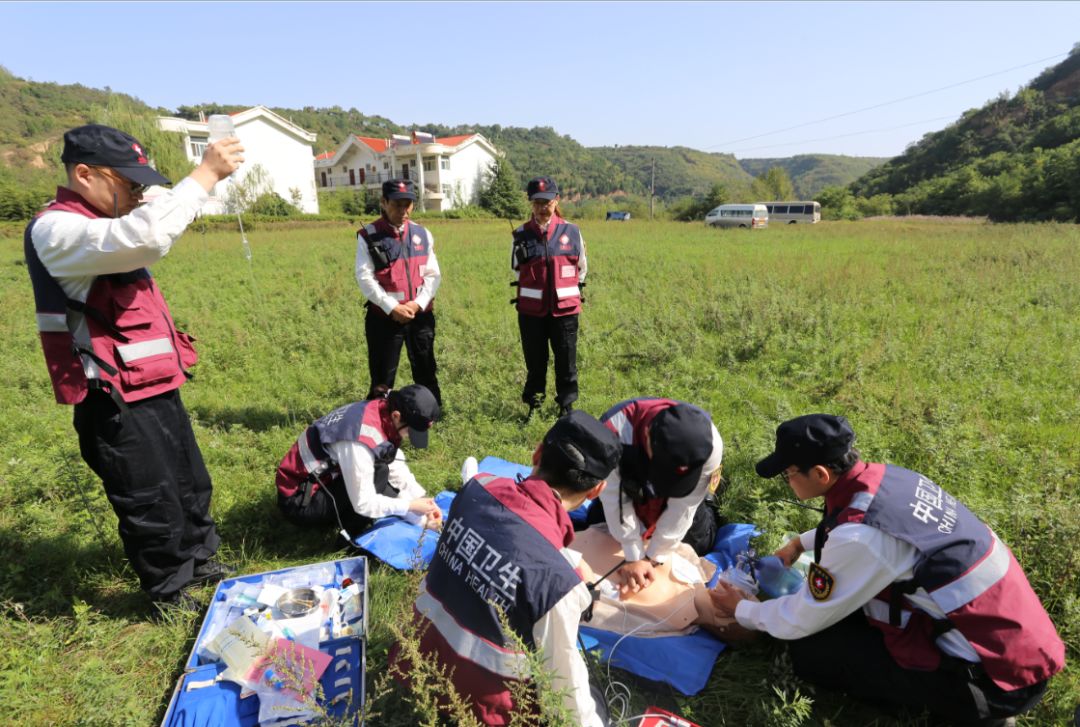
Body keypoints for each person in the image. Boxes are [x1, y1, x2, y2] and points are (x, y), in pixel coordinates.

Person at [710, 414, 1065, 725]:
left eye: (788, 474)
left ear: (819, 474)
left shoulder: (862, 539)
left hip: (993, 679)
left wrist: (741, 609)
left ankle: (977, 714)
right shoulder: (889, 479)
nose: (786, 481)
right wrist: (799, 543)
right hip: (1016, 640)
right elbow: (871, 525)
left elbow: (802, 617)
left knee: (813, 651)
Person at [24, 124, 244, 609]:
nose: (139, 194)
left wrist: (173, 185)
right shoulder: (58, 229)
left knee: (189, 482)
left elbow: (151, 213)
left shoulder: (104, 215)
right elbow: (147, 237)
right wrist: (203, 174)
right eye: (129, 183)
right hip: (114, 397)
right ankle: (171, 589)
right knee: (150, 498)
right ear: (83, 174)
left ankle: (201, 562)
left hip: (154, 382)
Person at [395, 410, 621, 726]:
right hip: (476, 707)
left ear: (537, 452)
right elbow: (567, 697)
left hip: (413, 656)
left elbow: (505, 536)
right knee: (592, 698)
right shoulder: (557, 587)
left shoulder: (477, 486)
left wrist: (566, 561)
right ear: (597, 490)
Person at [584, 397, 724, 597]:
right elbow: (614, 496)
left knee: (699, 541)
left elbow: (684, 506)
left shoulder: (711, 446)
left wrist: (652, 558)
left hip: (676, 498)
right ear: (648, 436)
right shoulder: (612, 433)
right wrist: (633, 554)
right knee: (598, 527)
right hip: (631, 489)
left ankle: (709, 504)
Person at [275, 385, 442, 540]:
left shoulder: (381, 408)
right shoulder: (359, 442)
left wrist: (421, 499)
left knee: (384, 479)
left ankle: (410, 514)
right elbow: (364, 503)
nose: (407, 436)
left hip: (320, 478)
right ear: (396, 416)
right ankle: (350, 541)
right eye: (409, 431)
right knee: (379, 475)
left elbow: (392, 459)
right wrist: (410, 505)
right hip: (300, 502)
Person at [355, 179, 442, 406]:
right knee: (382, 375)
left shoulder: (423, 234)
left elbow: (433, 274)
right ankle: (377, 418)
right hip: (383, 317)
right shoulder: (368, 235)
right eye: (397, 204)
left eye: (408, 204)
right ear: (384, 203)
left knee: (425, 369)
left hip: (419, 316)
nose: (403, 210)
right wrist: (391, 307)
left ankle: (429, 414)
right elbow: (364, 276)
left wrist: (417, 304)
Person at [511, 176, 586, 420]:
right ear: (531, 203)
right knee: (535, 361)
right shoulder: (521, 234)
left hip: (565, 311)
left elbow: (582, 268)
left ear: (556, 200)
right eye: (537, 203)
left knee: (566, 360)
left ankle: (566, 405)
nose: (542, 208)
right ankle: (534, 404)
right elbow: (514, 269)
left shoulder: (572, 231)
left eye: (547, 202)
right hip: (531, 312)